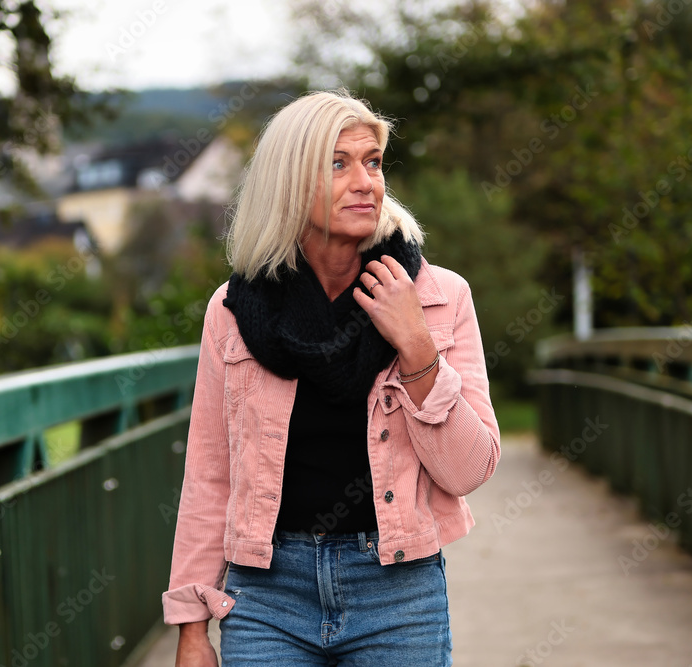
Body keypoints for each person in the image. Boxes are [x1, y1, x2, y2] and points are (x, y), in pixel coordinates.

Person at [162, 90, 500, 666]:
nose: (365, 182)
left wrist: (415, 343)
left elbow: (469, 469)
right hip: (266, 595)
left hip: (397, 593)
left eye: (373, 162)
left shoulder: (439, 297)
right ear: (289, 181)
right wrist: (192, 626)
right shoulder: (234, 310)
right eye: (338, 164)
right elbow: (209, 474)